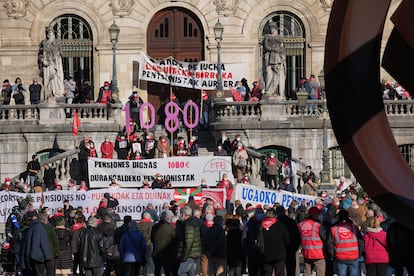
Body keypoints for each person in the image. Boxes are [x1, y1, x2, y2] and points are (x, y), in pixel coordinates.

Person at [328, 210, 364, 276]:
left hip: (340, 256)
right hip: (354, 255)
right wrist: (360, 253)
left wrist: (333, 255)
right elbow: (361, 242)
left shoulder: (334, 228)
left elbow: (330, 244)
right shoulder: (354, 228)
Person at [298, 206, 331, 276]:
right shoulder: (318, 225)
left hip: (306, 253)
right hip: (318, 254)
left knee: (307, 272)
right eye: (318, 214)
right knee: (320, 273)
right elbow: (325, 238)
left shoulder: (300, 225)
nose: (320, 216)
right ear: (315, 215)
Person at [261, 208, 290, 276]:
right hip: (279, 253)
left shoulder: (261, 225)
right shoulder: (281, 225)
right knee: (279, 272)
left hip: (265, 253)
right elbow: (287, 239)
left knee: (267, 272)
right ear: (275, 215)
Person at [39, 26, 64, 100]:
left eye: (51, 33)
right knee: (49, 78)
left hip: (56, 62)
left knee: (56, 77)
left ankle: (56, 92)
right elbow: (42, 53)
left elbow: (60, 53)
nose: (50, 34)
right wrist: (43, 60)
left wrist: (57, 59)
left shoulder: (57, 42)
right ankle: (49, 92)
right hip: (48, 63)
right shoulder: (44, 42)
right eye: (48, 33)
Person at [176, 206, 202, 276]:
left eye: (181, 214)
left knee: (181, 272)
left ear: (184, 215)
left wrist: (184, 256)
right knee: (191, 272)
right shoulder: (193, 221)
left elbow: (189, 242)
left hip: (190, 253)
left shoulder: (189, 224)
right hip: (194, 252)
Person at [263, 22, 286, 98]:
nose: (271, 30)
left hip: (278, 57)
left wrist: (280, 53)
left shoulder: (280, 37)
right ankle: (268, 90)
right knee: (269, 74)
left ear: (276, 28)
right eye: (270, 28)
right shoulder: (267, 36)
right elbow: (266, 46)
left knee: (278, 75)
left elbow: (283, 48)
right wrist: (273, 49)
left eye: (272, 28)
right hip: (269, 56)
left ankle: (277, 92)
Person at [276, 206, 301, 276]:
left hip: (280, 250)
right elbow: (298, 237)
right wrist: (295, 248)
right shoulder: (292, 222)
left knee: (279, 271)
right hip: (290, 249)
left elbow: (297, 237)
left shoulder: (276, 222)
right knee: (291, 270)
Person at [151, 210, 176, 276]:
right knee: (167, 271)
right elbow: (175, 240)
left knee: (157, 270)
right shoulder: (170, 227)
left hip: (157, 252)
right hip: (168, 253)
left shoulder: (155, 227)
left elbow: (152, 239)